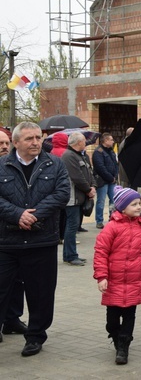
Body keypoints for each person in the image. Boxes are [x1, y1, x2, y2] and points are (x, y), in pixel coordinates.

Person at [0, 122, 70, 357]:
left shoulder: (54, 163)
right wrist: (16, 214)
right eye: (29, 138)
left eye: (38, 138)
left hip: (42, 240)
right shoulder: (2, 165)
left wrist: (33, 215)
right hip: (7, 242)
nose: (36, 142)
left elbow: (62, 193)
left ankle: (36, 336)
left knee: (41, 293)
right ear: (16, 143)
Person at [93, 186, 141, 365]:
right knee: (112, 321)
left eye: (139, 203)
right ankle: (115, 335)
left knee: (130, 316)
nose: (139, 207)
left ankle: (123, 346)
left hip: (133, 281)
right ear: (122, 207)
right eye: (134, 204)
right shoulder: (111, 228)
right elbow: (101, 252)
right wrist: (102, 276)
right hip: (113, 281)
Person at [0, 128, 29, 340]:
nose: (4, 147)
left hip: (15, 235)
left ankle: (11, 320)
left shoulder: (15, 168)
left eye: (6, 143)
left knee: (16, 280)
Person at [60, 131, 96, 266]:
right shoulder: (69, 156)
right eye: (83, 141)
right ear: (78, 142)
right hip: (72, 197)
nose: (85, 143)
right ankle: (70, 255)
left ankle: (70, 254)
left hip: (80, 196)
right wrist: (88, 190)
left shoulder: (80, 155)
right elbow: (76, 177)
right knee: (72, 226)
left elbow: (89, 172)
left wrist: (93, 186)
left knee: (73, 226)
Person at [93, 133, 119, 228]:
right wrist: (110, 178)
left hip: (112, 180)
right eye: (111, 140)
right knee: (101, 201)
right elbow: (100, 168)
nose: (113, 141)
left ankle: (112, 218)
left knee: (114, 200)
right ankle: (99, 221)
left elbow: (115, 164)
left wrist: (115, 176)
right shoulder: (98, 152)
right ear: (105, 141)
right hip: (102, 180)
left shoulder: (111, 151)